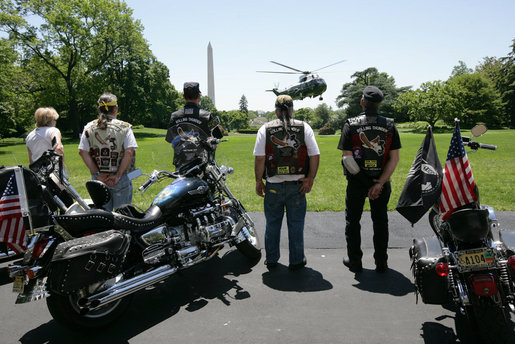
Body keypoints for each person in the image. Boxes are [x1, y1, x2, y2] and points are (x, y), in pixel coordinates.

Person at [338, 86, 401, 273]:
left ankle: (355, 262)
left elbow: (347, 158)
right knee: (380, 221)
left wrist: (367, 184)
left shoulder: (351, 124)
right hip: (381, 183)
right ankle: (381, 262)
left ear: (362, 102)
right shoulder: (390, 125)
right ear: (380, 103)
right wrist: (379, 183)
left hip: (357, 182)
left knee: (353, 221)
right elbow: (394, 158)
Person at [254, 95, 320, 271]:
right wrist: (310, 178)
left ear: (276, 110)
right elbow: (314, 155)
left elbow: (260, 159)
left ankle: (272, 259)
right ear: (291, 109)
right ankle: (297, 260)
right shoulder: (304, 127)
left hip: (274, 184)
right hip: (297, 184)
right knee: (296, 223)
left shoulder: (265, 129)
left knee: (272, 223)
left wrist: (258, 181)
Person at [78, 93, 138, 210]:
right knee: (123, 215)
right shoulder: (125, 127)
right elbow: (129, 151)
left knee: (103, 216)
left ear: (99, 109)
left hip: (98, 179)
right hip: (121, 179)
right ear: (115, 108)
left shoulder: (88, 127)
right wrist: (118, 175)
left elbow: (82, 151)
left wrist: (97, 174)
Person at [165, 82, 214, 170]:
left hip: (181, 165)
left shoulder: (174, 116)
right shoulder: (207, 115)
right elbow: (217, 139)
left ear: (183, 96)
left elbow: (170, 140)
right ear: (199, 96)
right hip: (202, 165)